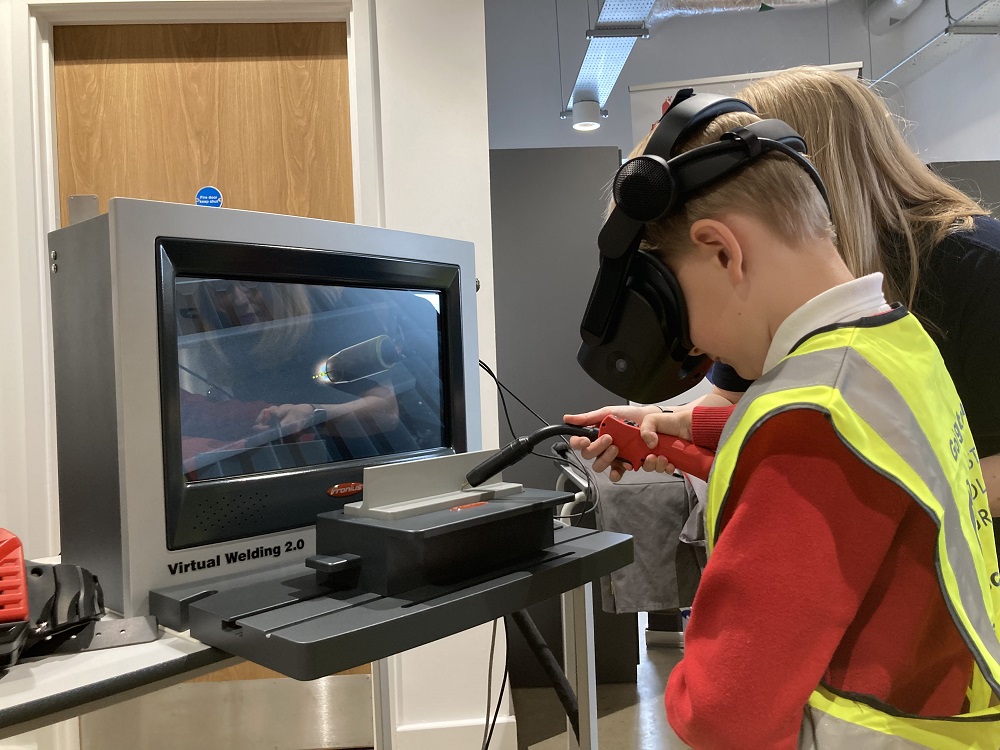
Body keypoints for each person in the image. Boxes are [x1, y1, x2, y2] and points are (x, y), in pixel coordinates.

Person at [573, 95, 1000, 747]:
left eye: (676, 308)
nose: (692, 348)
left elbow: (726, 712)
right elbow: (861, 497)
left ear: (723, 253)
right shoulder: (892, 345)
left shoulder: (812, 423)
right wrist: (682, 441)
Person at [568, 65, 1000, 527]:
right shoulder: (774, 296)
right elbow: (743, 399)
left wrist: (829, 506)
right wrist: (664, 420)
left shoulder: (975, 265)